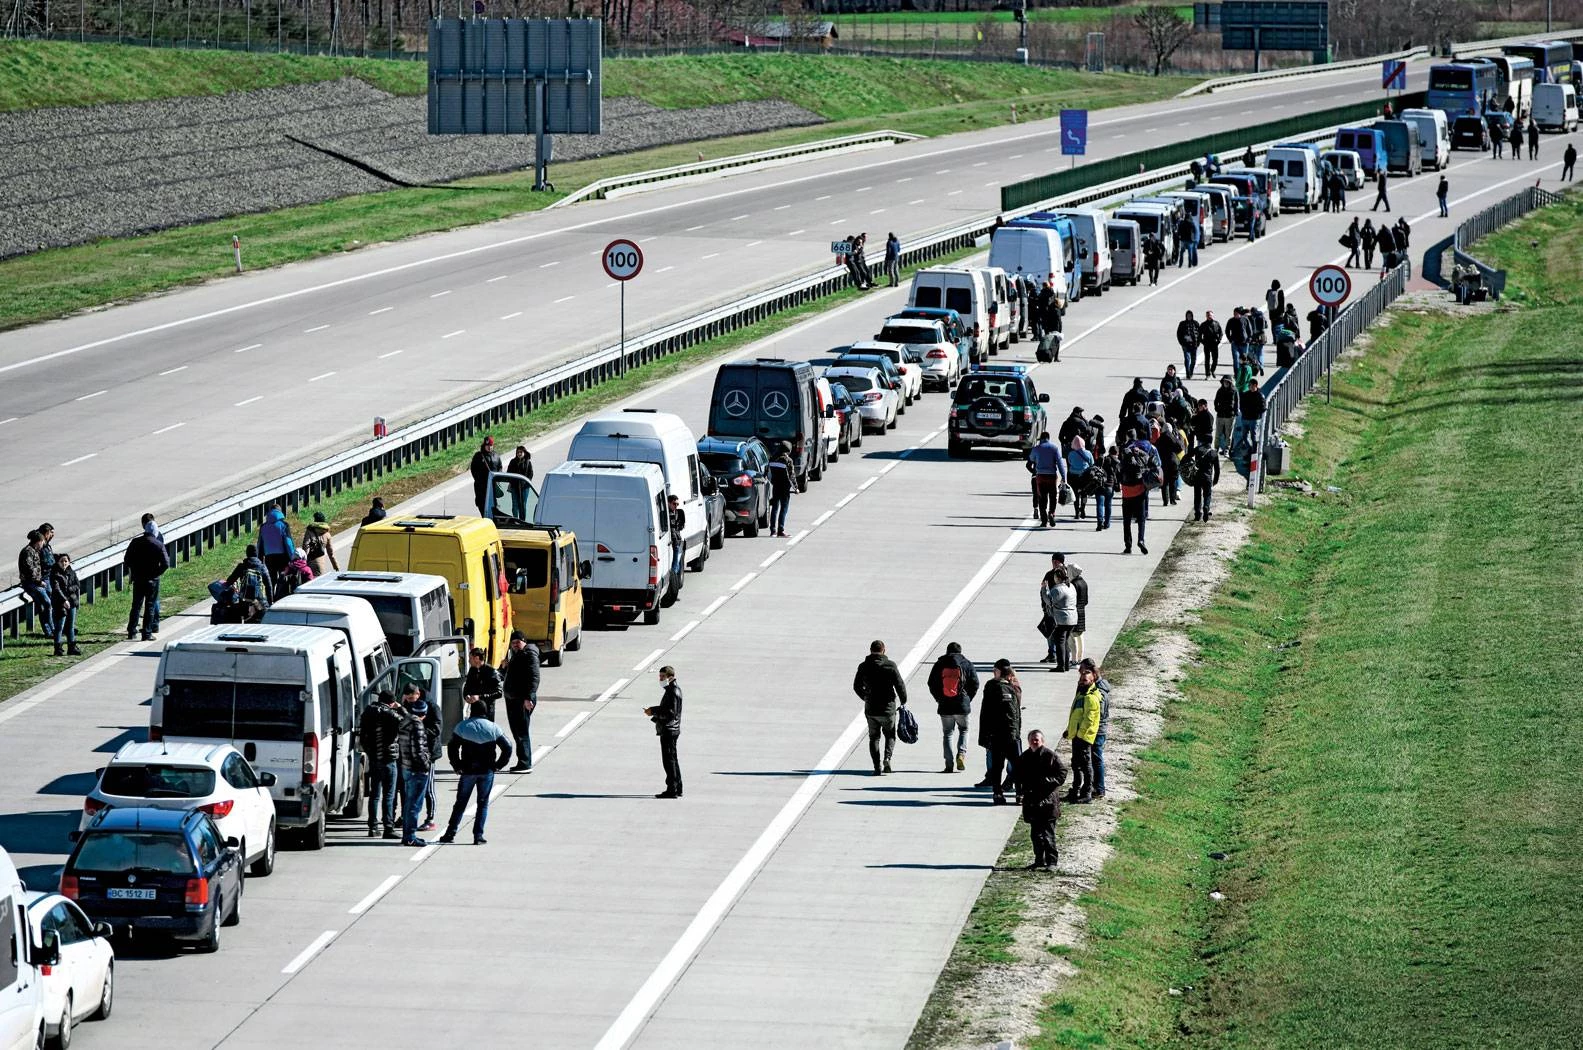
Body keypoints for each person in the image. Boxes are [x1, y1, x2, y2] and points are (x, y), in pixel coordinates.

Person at [439, 701, 513, 843]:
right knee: (482, 804)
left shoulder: (462, 726)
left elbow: (452, 747)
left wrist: (456, 765)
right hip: (487, 771)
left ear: (472, 711)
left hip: (468, 770)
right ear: (485, 712)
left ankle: (450, 833)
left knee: (460, 803)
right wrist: (498, 765)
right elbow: (508, 747)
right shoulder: (493, 728)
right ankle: (478, 836)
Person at [1015, 730, 1067, 871]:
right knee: (1035, 834)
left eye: (1037, 739)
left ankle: (1052, 862)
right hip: (1032, 802)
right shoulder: (1024, 757)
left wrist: (1048, 781)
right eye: (1032, 739)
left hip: (1048, 802)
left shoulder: (1050, 756)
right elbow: (1017, 776)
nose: (1034, 742)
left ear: (1042, 741)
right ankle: (1039, 860)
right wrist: (1020, 793)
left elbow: (1062, 773)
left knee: (1048, 834)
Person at [853, 639, 907, 775]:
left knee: (874, 738)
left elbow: (856, 686)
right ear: (884, 650)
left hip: (871, 708)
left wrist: (865, 697)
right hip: (888, 708)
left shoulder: (863, 666)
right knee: (890, 735)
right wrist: (903, 700)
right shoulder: (890, 665)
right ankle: (887, 758)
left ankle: (877, 767)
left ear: (870, 650)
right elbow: (899, 685)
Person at [928, 642, 980, 773]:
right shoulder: (966, 663)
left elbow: (931, 683)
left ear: (947, 651)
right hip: (962, 704)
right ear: (960, 652)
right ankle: (961, 754)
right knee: (964, 730)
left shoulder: (940, 663)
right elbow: (975, 683)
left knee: (948, 734)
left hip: (945, 705)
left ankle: (949, 764)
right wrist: (968, 699)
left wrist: (939, 698)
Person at [360, 690, 403, 839]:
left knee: (374, 794)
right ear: (392, 702)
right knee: (389, 795)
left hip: (374, 758)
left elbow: (363, 734)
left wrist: (370, 751)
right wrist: (400, 708)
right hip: (389, 758)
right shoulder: (391, 714)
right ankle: (388, 827)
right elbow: (405, 722)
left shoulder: (368, 712)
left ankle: (372, 826)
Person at [978, 660, 1022, 805]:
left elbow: (986, 713)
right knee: (1014, 765)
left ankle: (1000, 793)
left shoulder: (994, 687)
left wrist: (985, 735)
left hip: (999, 734)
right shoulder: (1007, 687)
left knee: (999, 766)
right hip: (1008, 734)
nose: (992, 673)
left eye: (995, 670)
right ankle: (1018, 793)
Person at [396, 686, 433, 846]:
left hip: (406, 766)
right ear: (423, 714)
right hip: (417, 769)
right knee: (414, 805)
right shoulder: (417, 725)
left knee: (409, 803)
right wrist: (426, 765)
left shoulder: (405, 722)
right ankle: (410, 836)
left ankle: (407, 835)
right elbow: (418, 750)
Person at [123, 514, 168, 641]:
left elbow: (127, 560)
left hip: (138, 578)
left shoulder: (135, 542)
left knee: (136, 605)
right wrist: (156, 573)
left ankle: (132, 631)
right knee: (150, 606)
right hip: (152, 580)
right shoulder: (158, 544)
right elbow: (166, 563)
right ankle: (147, 633)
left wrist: (135, 570)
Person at [500, 631, 540, 772]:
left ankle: (525, 763)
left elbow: (534, 677)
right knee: (517, 731)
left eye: (518, 642)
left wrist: (528, 698)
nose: (515, 645)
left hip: (522, 699)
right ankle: (522, 761)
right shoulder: (517, 655)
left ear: (524, 641)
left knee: (521, 731)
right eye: (513, 643)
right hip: (513, 699)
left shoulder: (529, 655)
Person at [1118, 430, 1163, 556]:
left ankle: (1128, 545)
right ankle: (1141, 540)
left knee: (1126, 520)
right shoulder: (1146, 452)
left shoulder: (1126, 451)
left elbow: (1119, 469)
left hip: (1126, 492)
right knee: (1141, 518)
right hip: (1140, 490)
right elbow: (1156, 463)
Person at [1063, 664, 1102, 805]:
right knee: (1076, 764)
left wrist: (1080, 735)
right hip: (1077, 736)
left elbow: (1089, 721)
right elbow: (1075, 716)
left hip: (1084, 738)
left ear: (1092, 681)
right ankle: (1075, 790)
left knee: (1085, 766)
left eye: (1085, 680)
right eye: (1081, 679)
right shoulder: (1081, 694)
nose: (1081, 682)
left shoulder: (1091, 698)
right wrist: (1070, 731)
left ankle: (1086, 793)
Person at [644, 665, 685, 798]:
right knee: (673, 759)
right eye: (660, 676)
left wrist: (653, 711)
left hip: (669, 729)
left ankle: (672, 789)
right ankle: (677, 787)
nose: (660, 679)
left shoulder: (673, 691)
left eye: (663, 676)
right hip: (672, 729)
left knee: (668, 761)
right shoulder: (673, 689)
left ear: (670, 677)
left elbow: (670, 713)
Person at [1077, 658, 1112, 799]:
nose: (1080, 674)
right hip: (1095, 729)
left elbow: (1099, 713)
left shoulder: (1099, 690)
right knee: (1092, 759)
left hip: (1096, 730)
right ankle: (1094, 786)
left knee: (1096, 759)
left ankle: (1099, 788)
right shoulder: (1096, 686)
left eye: (1083, 672)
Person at [17, 530, 53, 638]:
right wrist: (39, 582)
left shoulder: (34, 551)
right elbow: (30, 570)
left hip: (36, 582)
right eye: (42, 542)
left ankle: (50, 630)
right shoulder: (28, 552)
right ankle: (51, 629)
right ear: (37, 541)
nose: (43, 544)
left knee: (44, 606)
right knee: (47, 603)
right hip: (31, 583)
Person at [1040, 564, 1077, 670]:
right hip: (1073, 618)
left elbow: (1048, 601)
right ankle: (1065, 664)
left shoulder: (1057, 589)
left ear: (1058, 578)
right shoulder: (1071, 587)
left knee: (1059, 641)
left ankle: (1061, 665)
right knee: (1064, 641)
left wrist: (1044, 589)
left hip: (1061, 620)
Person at [1026, 432, 1066, 527]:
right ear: (1048, 438)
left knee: (1042, 498)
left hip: (1040, 477)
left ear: (1041, 439)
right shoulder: (1054, 448)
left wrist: (1034, 472)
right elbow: (1060, 464)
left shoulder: (1036, 449)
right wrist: (1063, 477)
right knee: (1053, 497)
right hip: (1052, 476)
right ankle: (1051, 513)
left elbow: (1030, 462)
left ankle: (1044, 520)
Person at [49, 553, 82, 657]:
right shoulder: (55, 573)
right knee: (59, 627)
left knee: (71, 626)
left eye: (66, 561)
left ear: (69, 562)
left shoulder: (71, 572)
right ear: (58, 562)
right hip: (59, 603)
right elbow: (56, 589)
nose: (64, 563)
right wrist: (64, 600)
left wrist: (69, 590)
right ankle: (58, 648)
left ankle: (72, 647)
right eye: (61, 561)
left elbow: (77, 585)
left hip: (71, 602)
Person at [258, 504, 295, 597]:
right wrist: (293, 557)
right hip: (283, 556)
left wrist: (259, 558)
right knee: (283, 577)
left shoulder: (263, 527)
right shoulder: (284, 525)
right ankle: (280, 597)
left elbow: (260, 544)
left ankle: (270, 599)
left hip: (269, 557)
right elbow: (288, 542)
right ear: (280, 512)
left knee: (271, 579)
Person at [1185, 432, 1221, 521]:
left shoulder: (1198, 449)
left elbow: (1188, 456)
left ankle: (1197, 513)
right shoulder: (1214, 453)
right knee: (1207, 494)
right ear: (1211, 442)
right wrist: (1215, 480)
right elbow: (1217, 469)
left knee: (1197, 495)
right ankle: (1206, 506)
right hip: (1208, 477)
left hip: (1197, 475)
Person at [464, 646, 504, 722]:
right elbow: (467, 687)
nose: (469, 661)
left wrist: (480, 697)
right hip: (474, 711)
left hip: (487, 711)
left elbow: (499, 693)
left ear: (477, 658)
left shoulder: (492, 672)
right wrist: (466, 696)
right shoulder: (472, 671)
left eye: (470, 658)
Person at [469, 436, 503, 516]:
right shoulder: (478, 456)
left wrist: (498, 478)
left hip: (493, 485)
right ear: (484, 445)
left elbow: (500, 467)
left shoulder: (496, 456)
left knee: (494, 504)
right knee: (482, 503)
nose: (489, 447)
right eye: (487, 445)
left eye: (490, 445)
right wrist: (478, 480)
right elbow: (473, 469)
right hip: (481, 486)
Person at [300, 511, 339, 578]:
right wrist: (335, 566)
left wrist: (303, 561)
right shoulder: (327, 534)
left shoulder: (309, 531)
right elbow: (331, 553)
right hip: (320, 564)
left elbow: (305, 546)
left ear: (315, 520)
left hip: (309, 562)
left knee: (307, 583)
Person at [767, 444, 794, 538]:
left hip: (776, 486)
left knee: (774, 508)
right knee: (784, 508)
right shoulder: (788, 461)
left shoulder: (772, 459)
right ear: (787, 450)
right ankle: (780, 530)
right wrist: (796, 488)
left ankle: (773, 531)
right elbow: (791, 476)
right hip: (785, 488)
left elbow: (768, 473)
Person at [1154, 419, 1182, 507]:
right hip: (1173, 461)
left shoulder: (1160, 438)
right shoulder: (1172, 437)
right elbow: (1180, 447)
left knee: (1164, 483)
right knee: (1173, 481)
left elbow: (1156, 449)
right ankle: (1172, 499)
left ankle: (1165, 500)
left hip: (1163, 462)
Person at [1066, 435, 1094, 521]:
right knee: (1084, 493)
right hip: (1085, 476)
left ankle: (1076, 512)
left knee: (1075, 494)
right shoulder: (1088, 453)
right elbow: (1092, 463)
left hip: (1073, 477)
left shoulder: (1071, 454)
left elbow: (1069, 462)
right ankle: (1083, 509)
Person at [1067, 562, 1089, 665]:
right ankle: (1080, 657)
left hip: (1074, 612)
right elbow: (1086, 600)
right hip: (1082, 611)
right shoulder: (1083, 582)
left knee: (1072, 637)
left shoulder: (1073, 584)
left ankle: (1074, 659)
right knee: (1080, 635)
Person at [1093, 446, 1117, 532]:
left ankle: (1100, 522)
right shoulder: (1115, 462)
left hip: (1100, 484)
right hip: (1110, 486)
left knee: (1100, 504)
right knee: (1108, 505)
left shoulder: (1101, 459)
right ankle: (1107, 523)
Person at [1213, 376, 1238, 455]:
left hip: (1229, 416)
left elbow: (1237, 403)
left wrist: (1235, 412)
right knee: (1218, 433)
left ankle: (1227, 449)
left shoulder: (1234, 391)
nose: (1225, 383)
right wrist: (1217, 409)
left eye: (1227, 382)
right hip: (1220, 415)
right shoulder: (1220, 391)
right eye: (1224, 382)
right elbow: (1216, 401)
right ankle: (1216, 448)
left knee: (1228, 434)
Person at [667, 494, 687, 583]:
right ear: (668, 503)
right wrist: (675, 542)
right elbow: (671, 530)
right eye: (674, 504)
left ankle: (675, 582)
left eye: (677, 504)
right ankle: (673, 583)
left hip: (678, 542)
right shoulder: (668, 514)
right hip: (673, 542)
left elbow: (680, 527)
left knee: (677, 564)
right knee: (674, 565)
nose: (675, 506)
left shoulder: (678, 513)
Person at [1176, 311, 1200, 379]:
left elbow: (1200, 333)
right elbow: (1179, 334)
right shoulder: (1182, 324)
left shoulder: (1196, 323)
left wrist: (1198, 343)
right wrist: (1182, 343)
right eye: (1188, 315)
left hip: (1194, 345)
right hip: (1185, 345)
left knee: (1193, 360)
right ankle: (1188, 373)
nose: (1189, 317)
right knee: (1187, 359)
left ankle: (1191, 371)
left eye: (1190, 315)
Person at [1198, 310, 1223, 378]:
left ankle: (1212, 370)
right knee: (1207, 360)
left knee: (1215, 359)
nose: (1209, 316)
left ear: (1213, 316)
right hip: (1207, 344)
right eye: (1208, 315)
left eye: (1211, 315)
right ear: (1206, 316)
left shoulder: (1216, 323)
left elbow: (1221, 333)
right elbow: (1199, 335)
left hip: (1214, 344)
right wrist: (1202, 342)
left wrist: (1219, 340)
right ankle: (1207, 374)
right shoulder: (1203, 324)